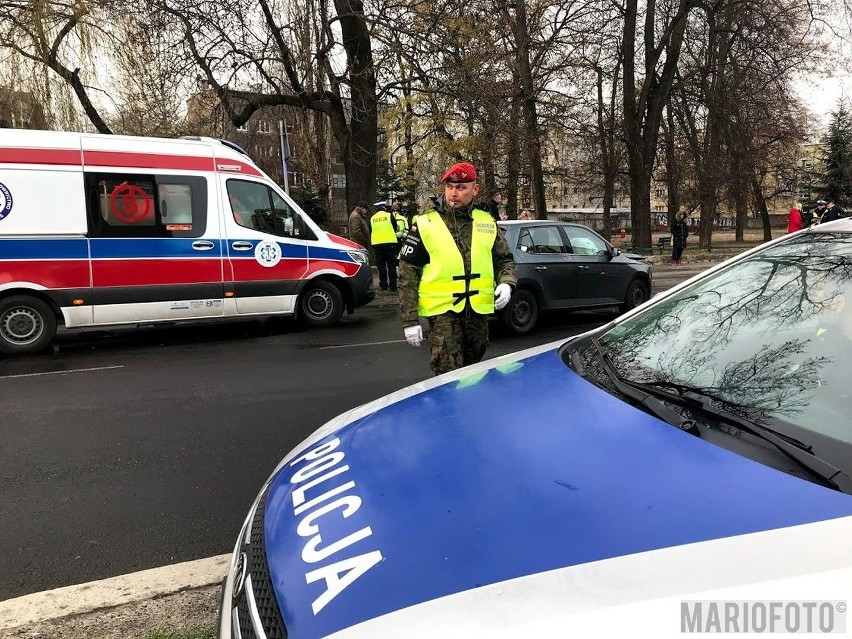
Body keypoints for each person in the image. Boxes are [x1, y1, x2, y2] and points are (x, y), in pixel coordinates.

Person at [398, 161, 517, 376]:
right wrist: (409, 319)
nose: (454, 193)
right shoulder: (426, 223)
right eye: (449, 187)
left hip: (478, 311)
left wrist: (507, 283)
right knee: (448, 372)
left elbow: (504, 259)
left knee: (475, 371)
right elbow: (408, 272)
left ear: (475, 189)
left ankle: (470, 408)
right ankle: (450, 409)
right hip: (443, 311)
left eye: (461, 188)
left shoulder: (486, 220)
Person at [371, 199, 399, 291]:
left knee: (381, 267)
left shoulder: (372, 218)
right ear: (384, 208)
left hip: (377, 245)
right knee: (392, 265)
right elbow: (395, 227)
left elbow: (371, 231)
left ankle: (383, 286)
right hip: (390, 243)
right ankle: (393, 286)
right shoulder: (389, 215)